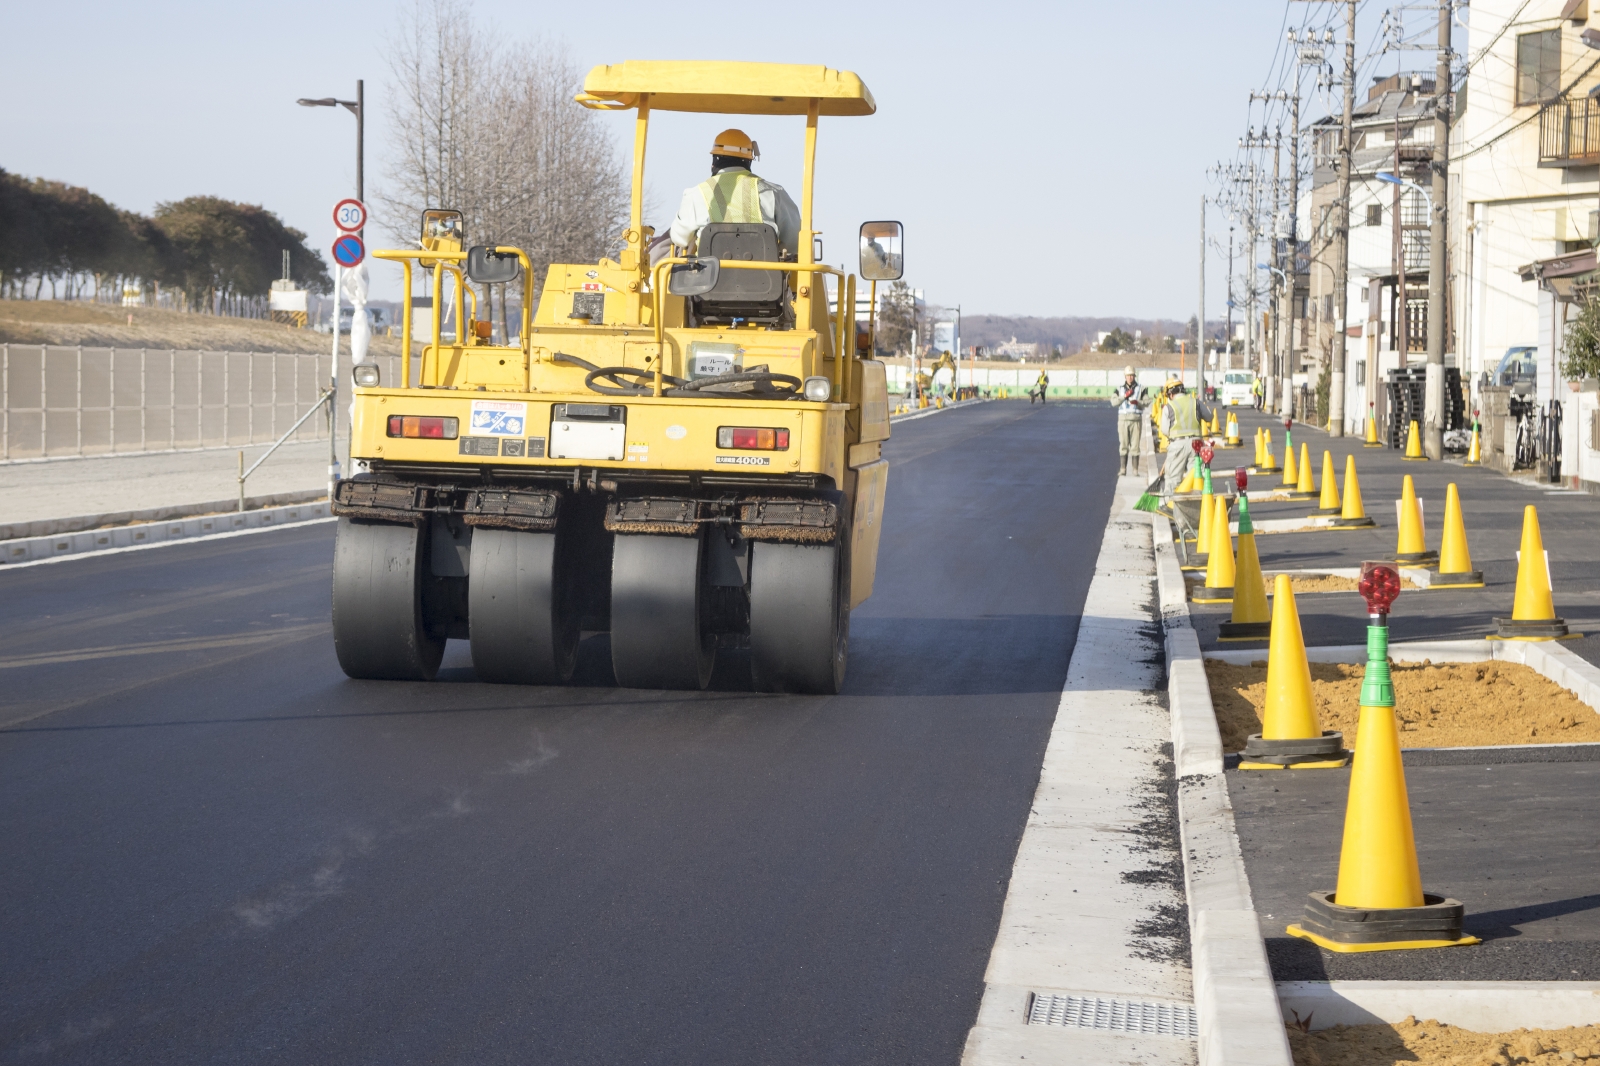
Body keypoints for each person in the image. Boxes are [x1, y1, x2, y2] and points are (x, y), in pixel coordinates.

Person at [669, 129, 801, 257]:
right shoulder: (773, 192)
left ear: (715, 159)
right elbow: (795, 241)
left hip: (708, 277)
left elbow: (680, 238)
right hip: (766, 278)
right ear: (749, 160)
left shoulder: (696, 193)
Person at [1159, 377, 1214, 505]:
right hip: (1197, 445)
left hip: (1177, 444)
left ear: (1170, 393)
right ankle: (1197, 508)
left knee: (1173, 479)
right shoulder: (1196, 402)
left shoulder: (1169, 407)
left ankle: (1171, 506)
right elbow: (1209, 417)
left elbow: (1165, 430)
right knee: (1196, 478)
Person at [1110, 365, 1146, 476]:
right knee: (1123, 445)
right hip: (1123, 420)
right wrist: (1124, 396)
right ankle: (1123, 469)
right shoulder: (1119, 388)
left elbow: (1147, 402)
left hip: (1136, 419)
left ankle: (1135, 470)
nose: (1130, 377)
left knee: (1135, 446)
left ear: (1134, 376)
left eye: (1131, 375)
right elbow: (1114, 402)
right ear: (1125, 376)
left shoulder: (1141, 388)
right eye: (1128, 375)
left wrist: (1138, 402)